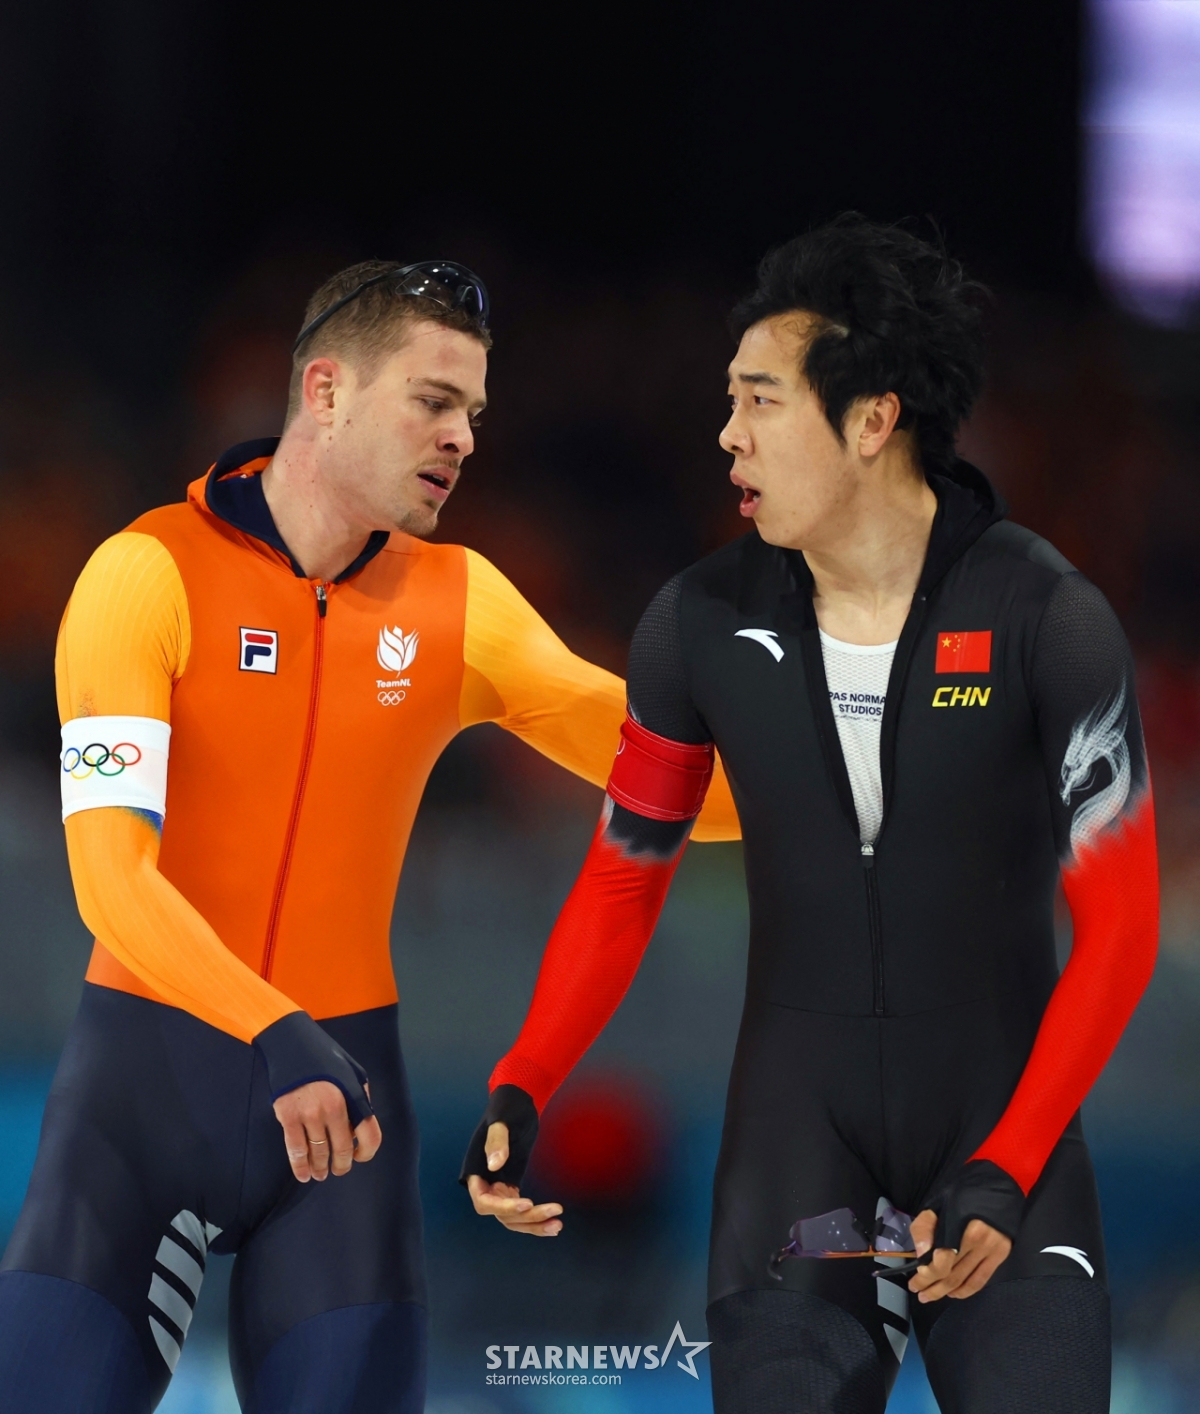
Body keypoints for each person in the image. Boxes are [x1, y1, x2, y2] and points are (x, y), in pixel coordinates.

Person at [0, 258, 740, 1414]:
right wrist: (273, 1031)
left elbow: (678, 780)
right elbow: (109, 879)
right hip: (146, 1099)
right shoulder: (144, 577)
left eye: (476, 414)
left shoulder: (462, 605)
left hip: (341, 1119)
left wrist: (883, 775)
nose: (464, 439)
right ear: (328, 391)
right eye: (434, 402)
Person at [462, 218, 1159, 1413]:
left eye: (760, 400)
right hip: (797, 1159)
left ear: (872, 419)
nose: (727, 433)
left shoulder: (1052, 616)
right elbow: (626, 875)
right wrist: (525, 1081)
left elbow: (1124, 927)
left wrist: (1009, 1163)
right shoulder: (696, 626)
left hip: (1008, 1155)